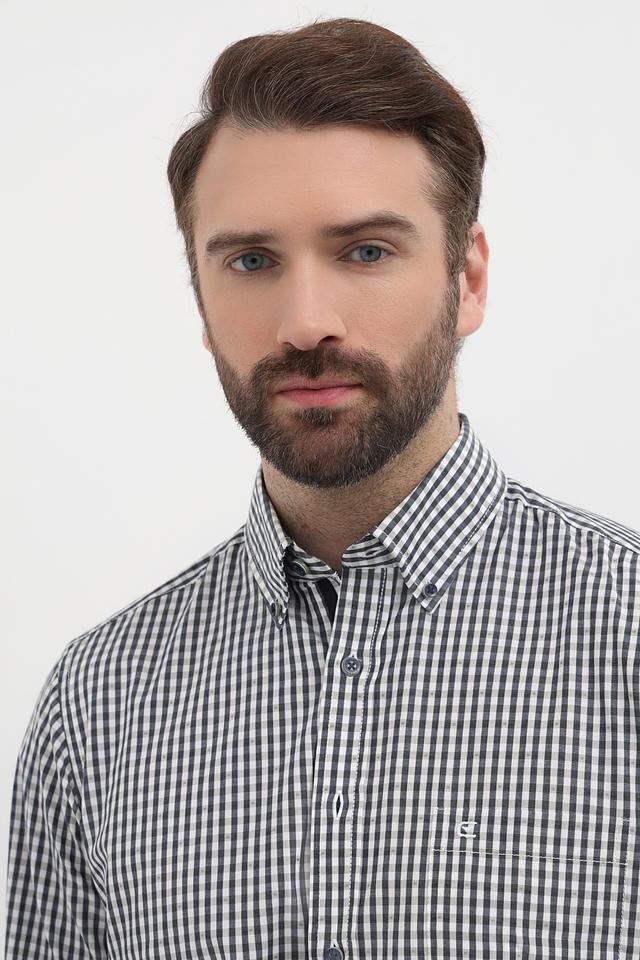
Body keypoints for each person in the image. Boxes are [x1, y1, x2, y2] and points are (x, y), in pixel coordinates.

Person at [6, 16, 639, 960]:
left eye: (366, 251)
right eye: (251, 262)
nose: (305, 323)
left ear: (467, 279)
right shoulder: (97, 703)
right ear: (200, 300)